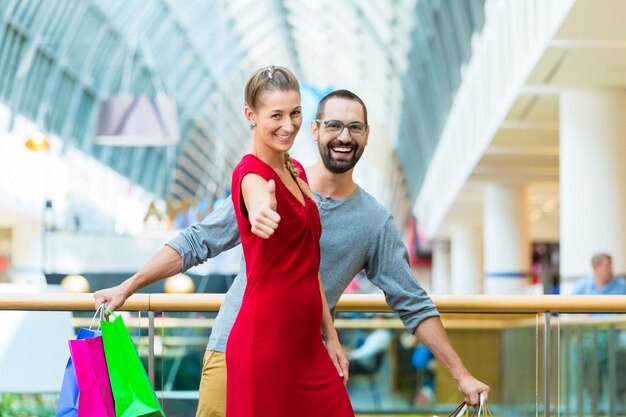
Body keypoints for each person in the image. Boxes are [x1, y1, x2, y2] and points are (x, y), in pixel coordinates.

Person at [95, 86, 490, 417]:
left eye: (355, 127)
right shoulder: (274, 180)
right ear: (315, 130)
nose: (344, 136)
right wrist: (128, 286)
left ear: (367, 136)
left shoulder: (374, 221)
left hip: (306, 358)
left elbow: (412, 301)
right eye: (333, 125)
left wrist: (461, 374)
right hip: (238, 349)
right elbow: (198, 241)